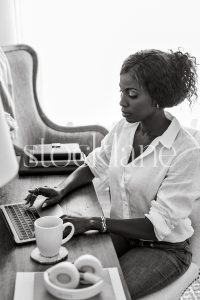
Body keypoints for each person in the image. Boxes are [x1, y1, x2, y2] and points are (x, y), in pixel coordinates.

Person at [25, 49, 200, 299]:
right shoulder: (124, 128)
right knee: (67, 274)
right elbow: (95, 164)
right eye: (121, 91)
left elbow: (157, 226)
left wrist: (95, 223)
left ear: (158, 98)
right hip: (122, 235)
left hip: (163, 249)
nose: (122, 101)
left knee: (102, 293)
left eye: (132, 94)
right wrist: (61, 188)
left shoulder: (187, 153)